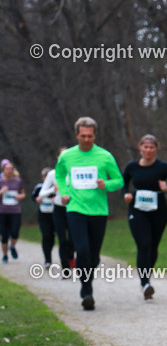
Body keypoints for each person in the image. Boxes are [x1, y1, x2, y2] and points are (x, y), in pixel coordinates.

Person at [54, 117, 124, 310]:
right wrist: (64, 193)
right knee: (82, 250)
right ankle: (87, 291)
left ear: (95, 135)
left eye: (90, 136)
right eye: (83, 136)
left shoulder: (105, 156)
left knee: (93, 256)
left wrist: (106, 184)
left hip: (99, 210)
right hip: (75, 209)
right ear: (77, 135)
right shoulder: (67, 156)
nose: (86, 139)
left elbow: (119, 180)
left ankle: (87, 281)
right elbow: (59, 174)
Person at [123, 134, 167, 300]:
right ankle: (145, 284)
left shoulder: (163, 167)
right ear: (140, 148)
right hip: (137, 209)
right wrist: (126, 194)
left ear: (156, 149)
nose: (148, 150)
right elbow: (123, 182)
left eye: (151, 147)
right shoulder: (132, 167)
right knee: (144, 244)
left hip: (159, 211)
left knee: (153, 246)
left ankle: (146, 279)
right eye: (145, 147)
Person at [44, 148, 76, 278]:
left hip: (73, 208)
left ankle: (71, 256)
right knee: (62, 240)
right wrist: (53, 189)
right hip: (58, 209)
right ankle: (65, 269)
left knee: (73, 240)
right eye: (61, 155)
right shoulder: (52, 174)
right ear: (57, 157)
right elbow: (42, 193)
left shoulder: (75, 171)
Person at [0, 159, 25, 263]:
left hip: (15, 211)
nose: (9, 171)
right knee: (4, 235)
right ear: (3, 170)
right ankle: (5, 255)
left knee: (15, 232)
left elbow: (23, 194)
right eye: (7, 169)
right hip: (3, 212)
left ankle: (13, 246)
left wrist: (20, 197)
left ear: (13, 170)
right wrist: (1, 192)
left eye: (10, 169)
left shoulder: (18, 181)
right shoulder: (0, 181)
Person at [33, 167, 56, 267]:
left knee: (53, 236)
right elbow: (33, 197)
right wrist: (37, 199)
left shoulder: (57, 187)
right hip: (43, 215)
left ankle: (68, 258)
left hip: (55, 215)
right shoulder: (39, 187)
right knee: (46, 236)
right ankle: (47, 259)